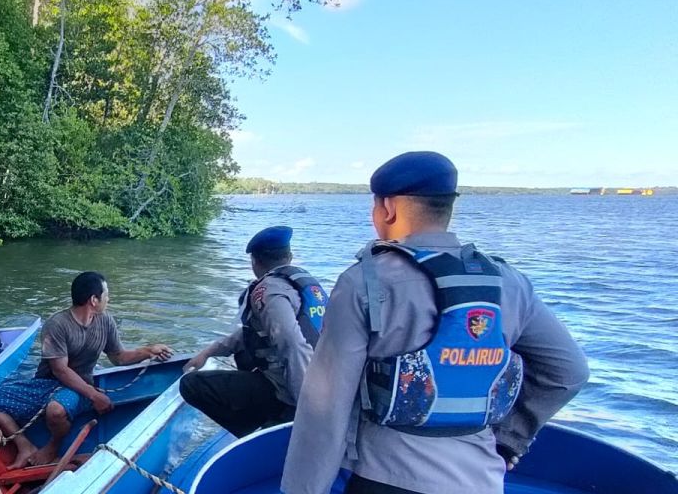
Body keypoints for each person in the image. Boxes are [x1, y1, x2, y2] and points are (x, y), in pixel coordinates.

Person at [281, 151, 589, 494]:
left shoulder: (364, 283)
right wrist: (509, 439)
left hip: (385, 478)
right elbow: (569, 371)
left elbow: (325, 405)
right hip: (480, 481)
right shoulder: (509, 282)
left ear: (388, 208)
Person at [0, 271, 174, 470]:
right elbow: (60, 370)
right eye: (106, 294)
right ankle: (24, 445)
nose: (109, 298)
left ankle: (53, 446)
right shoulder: (57, 324)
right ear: (94, 300)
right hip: (47, 384)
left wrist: (148, 351)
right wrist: (95, 396)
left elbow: (118, 357)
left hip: (78, 387)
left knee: (56, 410)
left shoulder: (105, 321)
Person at [180, 225, 326, 437]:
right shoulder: (304, 284)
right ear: (290, 256)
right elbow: (251, 333)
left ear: (255, 262)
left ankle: (256, 431)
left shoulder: (267, 292)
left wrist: (305, 409)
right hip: (323, 381)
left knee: (191, 385)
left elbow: (292, 345)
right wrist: (207, 352)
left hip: (294, 393)